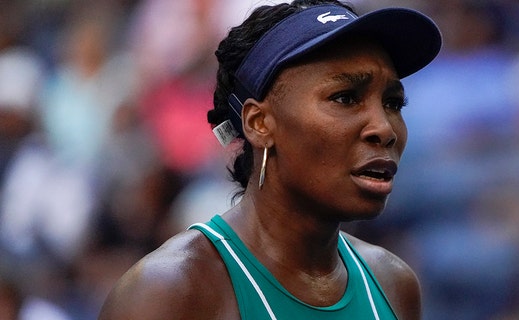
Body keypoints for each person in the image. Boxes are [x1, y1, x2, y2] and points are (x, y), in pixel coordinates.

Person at [98, 0, 441, 319]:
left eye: (393, 103)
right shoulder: (168, 293)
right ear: (259, 124)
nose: (384, 128)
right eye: (345, 98)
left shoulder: (394, 283)